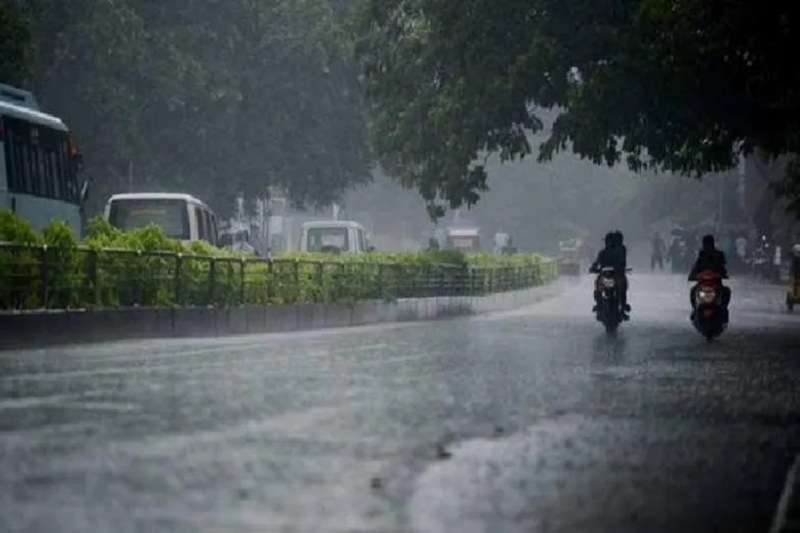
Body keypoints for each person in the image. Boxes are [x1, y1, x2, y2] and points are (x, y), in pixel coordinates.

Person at [688, 234, 731, 322]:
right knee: (693, 291)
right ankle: (694, 310)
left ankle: (723, 309)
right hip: (702, 283)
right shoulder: (702, 254)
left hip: (715, 284)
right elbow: (696, 267)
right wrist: (692, 275)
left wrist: (722, 274)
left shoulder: (718, 255)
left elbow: (723, 268)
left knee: (726, 292)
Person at [590, 231, 630, 319]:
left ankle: (622, 307)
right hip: (605, 275)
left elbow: (622, 263)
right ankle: (599, 304)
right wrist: (593, 268)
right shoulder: (603, 252)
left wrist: (621, 269)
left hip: (616, 275)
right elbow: (597, 262)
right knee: (598, 287)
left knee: (622, 288)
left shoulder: (619, 251)